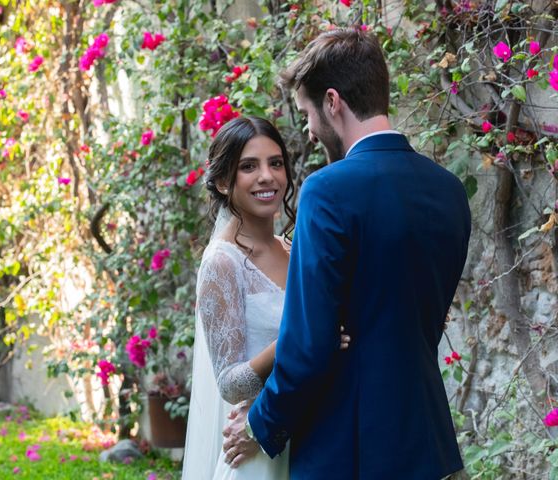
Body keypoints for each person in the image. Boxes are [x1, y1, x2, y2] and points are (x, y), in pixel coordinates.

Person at [221, 27, 471, 479]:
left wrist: (258, 423)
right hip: (429, 444)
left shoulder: (328, 191)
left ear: (332, 102)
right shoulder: (450, 191)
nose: (311, 132)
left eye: (307, 114)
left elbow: (310, 345)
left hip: (348, 450)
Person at [181, 115, 350, 480]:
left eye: (275, 163)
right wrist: (305, 335)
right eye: (248, 166)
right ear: (224, 182)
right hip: (256, 456)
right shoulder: (222, 262)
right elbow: (230, 383)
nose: (267, 176)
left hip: (310, 439)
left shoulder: (293, 249)